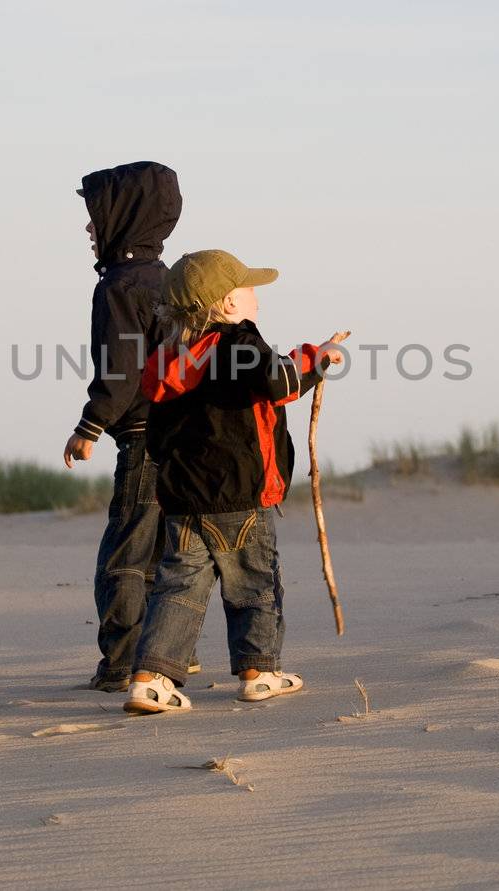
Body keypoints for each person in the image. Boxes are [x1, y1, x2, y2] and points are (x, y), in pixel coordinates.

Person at [123, 250, 348, 714]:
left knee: (178, 585)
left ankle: (150, 679)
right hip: (240, 494)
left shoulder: (171, 356)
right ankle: (259, 672)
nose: (256, 300)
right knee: (254, 583)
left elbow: (160, 432)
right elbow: (277, 382)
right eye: (249, 290)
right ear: (226, 304)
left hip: (183, 496)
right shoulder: (239, 341)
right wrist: (318, 359)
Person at [61, 162, 184, 692]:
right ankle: (169, 656)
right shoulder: (171, 281)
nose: (90, 228)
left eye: (96, 216)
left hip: (143, 437)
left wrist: (89, 425)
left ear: (124, 216)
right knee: (169, 551)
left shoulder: (120, 285)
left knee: (126, 553)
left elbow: (122, 367)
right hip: (184, 439)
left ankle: (122, 664)